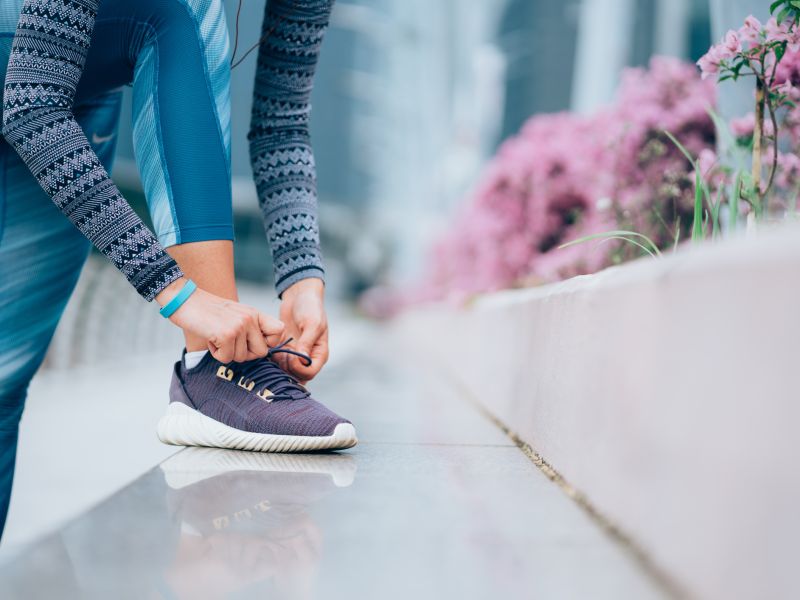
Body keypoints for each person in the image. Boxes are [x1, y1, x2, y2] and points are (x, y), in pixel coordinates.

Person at [0, 0, 354, 538]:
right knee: (181, 9)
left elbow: (281, 120)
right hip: (36, 80)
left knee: (4, 383)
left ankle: (216, 371)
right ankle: (215, 368)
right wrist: (178, 293)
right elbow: (31, 100)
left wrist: (303, 277)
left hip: (75, 92)